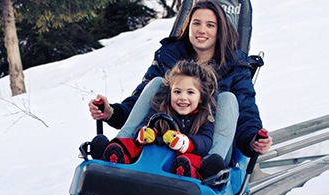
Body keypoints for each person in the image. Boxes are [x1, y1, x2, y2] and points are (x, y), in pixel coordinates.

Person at [89, 0, 272, 178]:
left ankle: (209, 168)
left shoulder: (235, 67)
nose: (202, 30)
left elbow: (246, 111)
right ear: (188, 26)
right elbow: (142, 99)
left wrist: (252, 140)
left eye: (210, 25)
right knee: (158, 83)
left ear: (219, 31)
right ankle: (120, 146)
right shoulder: (169, 56)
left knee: (227, 98)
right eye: (196, 23)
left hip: (205, 148)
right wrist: (112, 112)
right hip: (161, 138)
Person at [100, 60, 219, 179]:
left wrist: (186, 143)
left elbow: (206, 140)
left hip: (182, 155)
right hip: (151, 154)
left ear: (201, 98)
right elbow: (143, 124)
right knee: (130, 144)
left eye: (190, 93)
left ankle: (183, 171)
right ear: (170, 92)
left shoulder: (204, 116)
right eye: (177, 92)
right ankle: (115, 155)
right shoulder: (161, 107)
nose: (183, 97)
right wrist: (143, 134)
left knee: (193, 160)